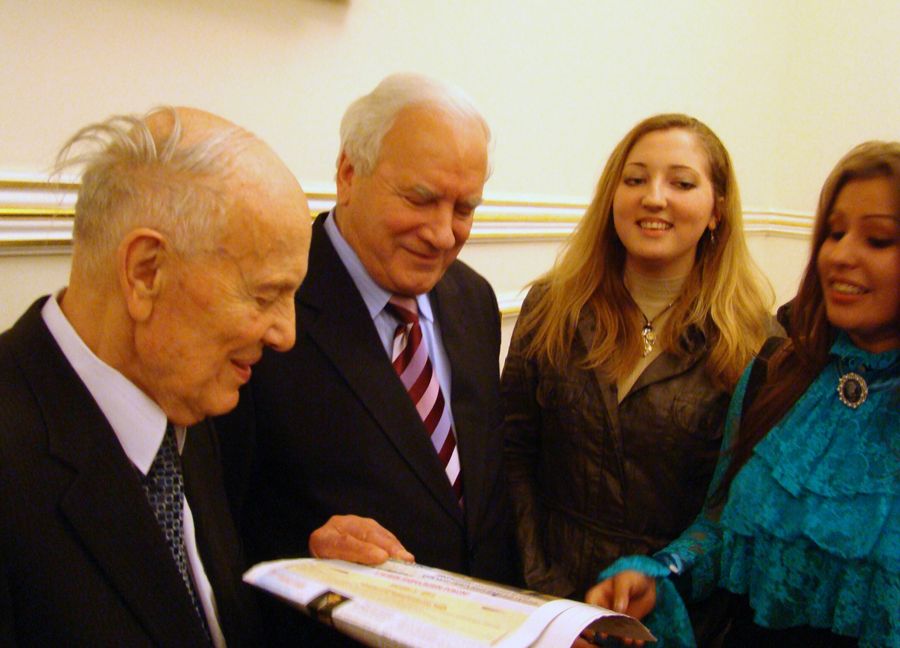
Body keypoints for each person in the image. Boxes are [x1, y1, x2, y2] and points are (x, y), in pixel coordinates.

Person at [215, 74, 517, 642]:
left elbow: (479, 499)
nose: (442, 234)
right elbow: (217, 520)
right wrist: (310, 551)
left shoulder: (473, 299)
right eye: (421, 199)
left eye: (464, 208)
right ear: (349, 174)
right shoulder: (267, 301)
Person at [0, 106, 312, 646]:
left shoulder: (186, 403)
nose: (286, 334)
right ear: (146, 271)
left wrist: (323, 585)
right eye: (265, 296)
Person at [588, 141, 899, 647]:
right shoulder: (775, 373)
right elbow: (721, 528)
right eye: (834, 233)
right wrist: (658, 576)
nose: (842, 256)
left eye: (879, 240)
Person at [501, 114, 776, 642]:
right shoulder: (551, 307)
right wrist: (547, 595)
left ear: (717, 209)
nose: (654, 198)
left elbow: (735, 510)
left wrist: (661, 588)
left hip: (672, 617)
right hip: (544, 604)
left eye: (682, 183)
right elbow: (513, 454)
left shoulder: (757, 344)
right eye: (635, 179)